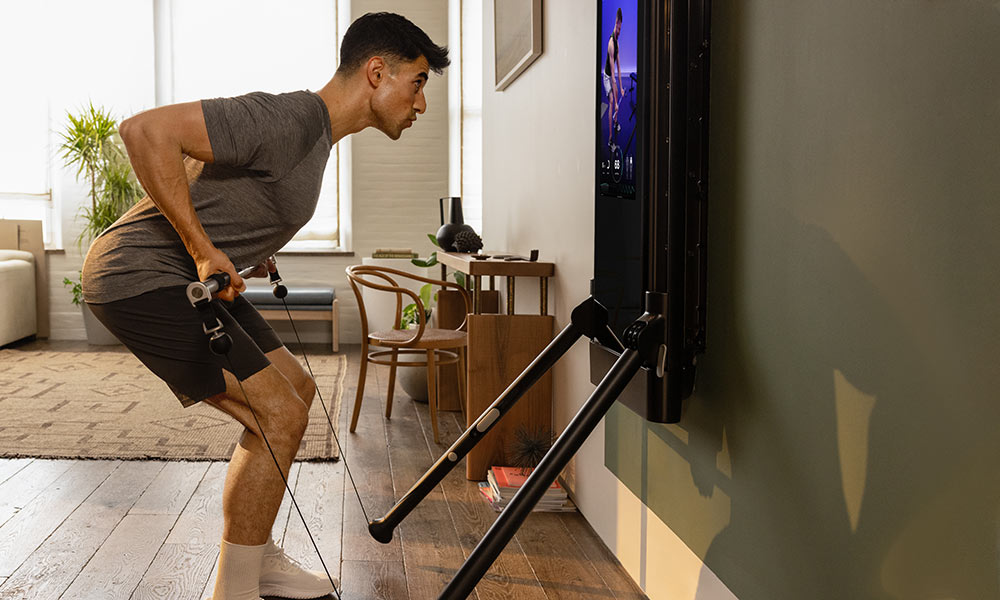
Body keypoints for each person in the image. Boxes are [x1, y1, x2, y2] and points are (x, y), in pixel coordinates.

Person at [80, 12, 448, 600]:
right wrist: (202, 249)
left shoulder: (317, 140)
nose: (421, 103)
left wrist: (249, 245)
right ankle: (234, 590)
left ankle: (258, 558)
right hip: (137, 275)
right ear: (377, 72)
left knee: (295, 393)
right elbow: (144, 131)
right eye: (419, 81)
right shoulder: (291, 118)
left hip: (179, 275)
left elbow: (229, 189)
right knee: (278, 414)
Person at [604, 8, 623, 150]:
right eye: (618, 28)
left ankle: (615, 122)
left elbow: (619, 68)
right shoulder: (611, 44)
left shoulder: (617, 42)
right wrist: (616, 102)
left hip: (613, 77)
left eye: (621, 29)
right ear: (615, 23)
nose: (619, 31)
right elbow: (612, 75)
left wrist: (621, 88)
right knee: (612, 102)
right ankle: (610, 139)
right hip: (607, 77)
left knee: (617, 94)